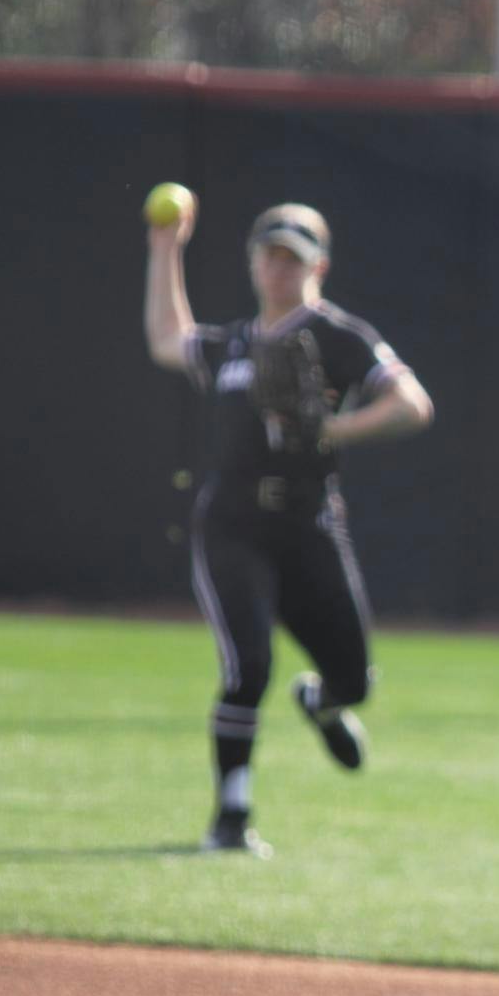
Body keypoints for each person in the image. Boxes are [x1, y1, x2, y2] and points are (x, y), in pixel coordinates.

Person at [143, 197, 434, 857]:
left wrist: (334, 427)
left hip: (307, 525)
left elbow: (413, 404)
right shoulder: (233, 343)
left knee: (355, 678)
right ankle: (231, 817)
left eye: (293, 259)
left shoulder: (339, 337)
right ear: (253, 261)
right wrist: (166, 247)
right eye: (270, 255)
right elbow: (167, 339)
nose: (279, 269)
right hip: (231, 524)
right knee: (248, 665)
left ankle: (324, 704)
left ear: (318, 266)